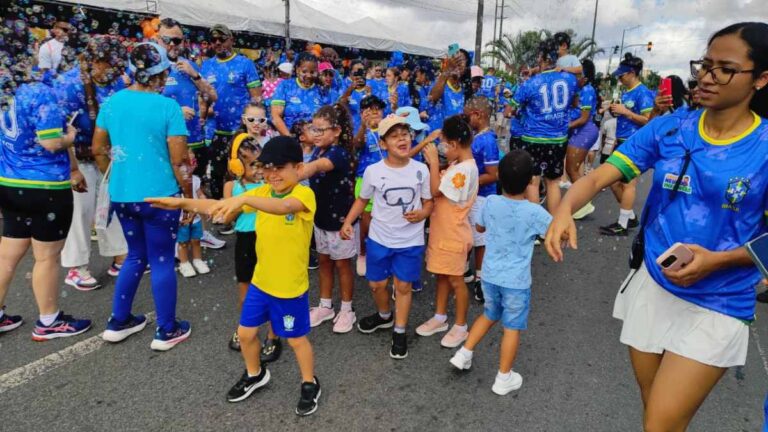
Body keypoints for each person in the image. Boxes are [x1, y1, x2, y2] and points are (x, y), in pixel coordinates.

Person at [545, 22, 768, 430]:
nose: (707, 76)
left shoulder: (764, 146)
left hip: (718, 302)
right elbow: (598, 177)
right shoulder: (670, 128)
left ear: (762, 78)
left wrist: (718, 261)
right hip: (654, 282)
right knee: (657, 412)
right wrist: (563, 209)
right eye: (705, 64)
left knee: (660, 423)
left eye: (725, 69)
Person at [147, 136, 322, 416]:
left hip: (290, 289)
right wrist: (180, 204)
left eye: (280, 167)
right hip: (261, 282)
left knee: (297, 340)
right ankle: (255, 374)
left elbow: (284, 207)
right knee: (245, 333)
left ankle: (309, 382)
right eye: (267, 167)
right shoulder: (262, 192)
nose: (272, 174)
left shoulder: (302, 195)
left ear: (299, 168)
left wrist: (244, 198)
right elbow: (218, 205)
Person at [93, 42, 192, 351]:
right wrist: (188, 198)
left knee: (135, 255)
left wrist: (116, 173)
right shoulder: (168, 107)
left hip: (123, 195)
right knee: (162, 259)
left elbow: (98, 149)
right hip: (161, 196)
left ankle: (118, 320)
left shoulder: (112, 102)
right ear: (160, 73)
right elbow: (179, 162)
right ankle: (166, 329)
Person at [0, 45, 91, 339]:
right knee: (46, 258)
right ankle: (49, 321)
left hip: (10, 181)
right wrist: (70, 137)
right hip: (45, 186)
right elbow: (51, 142)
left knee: (6, 257)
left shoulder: (6, 92)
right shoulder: (39, 92)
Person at [450, 150, 552, 396]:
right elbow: (554, 230)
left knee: (489, 313)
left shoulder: (492, 202)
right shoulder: (534, 212)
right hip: (516, 282)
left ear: (499, 179)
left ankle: (464, 353)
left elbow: (480, 226)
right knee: (512, 327)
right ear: (530, 181)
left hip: (490, 274)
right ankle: (504, 377)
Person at [340, 115, 434, 359]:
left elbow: (428, 202)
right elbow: (362, 200)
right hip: (380, 239)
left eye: (405, 133)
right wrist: (349, 222)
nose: (401, 138)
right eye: (394, 135)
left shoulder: (420, 170)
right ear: (383, 144)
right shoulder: (373, 171)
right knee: (376, 285)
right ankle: (384, 316)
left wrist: (423, 213)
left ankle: (400, 330)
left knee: (403, 286)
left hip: (410, 241)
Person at [56, 35, 129, 290]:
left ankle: (120, 256)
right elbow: (60, 131)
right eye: (111, 65)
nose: (116, 71)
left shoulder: (116, 80)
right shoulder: (69, 85)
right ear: (95, 61)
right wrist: (73, 169)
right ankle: (76, 267)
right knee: (81, 211)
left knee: (110, 206)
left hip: (107, 155)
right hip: (77, 154)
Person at [417, 115, 478, 348]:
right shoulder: (458, 166)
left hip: (453, 235)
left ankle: (461, 326)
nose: (441, 149)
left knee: (456, 281)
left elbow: (435, 190)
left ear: (454, 145)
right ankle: (440, 317)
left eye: (443, 144)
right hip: (444, 233)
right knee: (442, 274)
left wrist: (433, 162)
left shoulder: (462, 171)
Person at [302, 104, 357, 333]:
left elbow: (318, 167)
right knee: (324, 261)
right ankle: (325, 306)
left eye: (321, 130)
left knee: (342, 265)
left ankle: (347, 309)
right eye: (313, 129)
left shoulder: (338, 153)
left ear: (336, 131)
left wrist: (295, 173)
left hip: (340, 223)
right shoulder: (319, 149)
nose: (316, 134)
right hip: (321, 219)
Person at [509, 39, 578, 213]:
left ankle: (536, 226)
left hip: (533, 138)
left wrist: (521, 113)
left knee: (533, 181)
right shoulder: (570, 79)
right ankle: (551, 225)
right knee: (553, 182)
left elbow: (508, 110)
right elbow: (575, 103)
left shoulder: (531, 83)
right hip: (558, 139)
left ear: (542, 57)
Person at [200, 24, 262, 200]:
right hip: (216, 132)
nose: (218, 43)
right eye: (214, 40)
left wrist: (253, 126)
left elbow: (256, 98)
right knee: (218, 174)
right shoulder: (206, 66)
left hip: (240, 132)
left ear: (232, 40)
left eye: (222, 39)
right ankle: (222, 213)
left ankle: (242, 211)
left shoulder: (245, 63)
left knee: (243, 172)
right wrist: (204, 112)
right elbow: (202, 98)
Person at [598, 53, 654, 236]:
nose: (619, 79)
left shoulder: (643, 93)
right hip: (622, 142)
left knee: (628, 184)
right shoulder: (626, 92)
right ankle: (628, 216)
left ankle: (622, 224)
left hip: (635, 143)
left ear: (632, 73)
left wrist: (626, 112)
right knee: (614, 182)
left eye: (621, 75)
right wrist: (616, 111)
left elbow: (648, 121)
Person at [463, 96, 500, 302]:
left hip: (482, 198)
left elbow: (493, 174)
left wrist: (467, 184)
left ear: (478, 115)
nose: (467, 121)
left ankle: (480, 279)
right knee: (470, 236)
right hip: (474, 196)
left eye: (468, 117)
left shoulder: (487, 140)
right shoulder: (479, 136)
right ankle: (468, 271)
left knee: (480, 241)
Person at [351, 95, 386, 276]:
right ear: (361, 113)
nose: (374, 113)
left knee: (387, 220)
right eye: (369, 110)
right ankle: (363, 254)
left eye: (377, 109)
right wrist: (363, 127)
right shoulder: (360, 130)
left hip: (388, 181)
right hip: (365, 181)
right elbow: (356, 145)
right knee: (366, 221)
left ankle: (384, 255)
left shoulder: (388, 128)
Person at [565, 59, 600, 220]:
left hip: (584, 131)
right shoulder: (581, 90)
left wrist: (567, 126)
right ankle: (581, 202)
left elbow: (584, 118)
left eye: (577, 73)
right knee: (571, 168)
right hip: (580, 131)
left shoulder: (587, 90)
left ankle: (584, 203)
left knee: (572, 169)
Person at [176, 150, 211, 278]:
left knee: (196, 240)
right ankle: (184, 263)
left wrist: (206, 206)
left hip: (195, 218)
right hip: (182, 219)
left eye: (194, 159)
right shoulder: (175, 183)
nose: (193, 163)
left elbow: (200, 194)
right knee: (183, 242)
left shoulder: (195, 179)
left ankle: (198, 260)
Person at [271, 53, 324, 136]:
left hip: (315, 140)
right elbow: (276, 116)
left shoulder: (321, 90)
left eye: (312, 72)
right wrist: (289, 138)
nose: (309, 75)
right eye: (304, 71)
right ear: (297, 69)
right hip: (288, 138)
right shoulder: (285, 86)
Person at [339, 60, 371, 134]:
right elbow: (340, 103)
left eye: (361, 71)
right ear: (350, 73)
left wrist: (370, 94)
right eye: (356, 72)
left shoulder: (370, 85)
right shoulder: (344, 85)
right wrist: (350, 89)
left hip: (367, 129)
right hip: (350, 128)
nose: (359, 75)